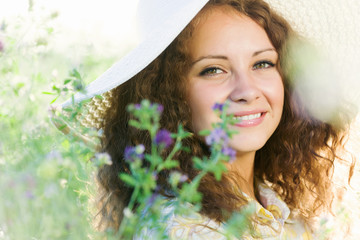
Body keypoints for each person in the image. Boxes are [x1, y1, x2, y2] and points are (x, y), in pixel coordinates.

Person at [56, 0, 355, 239]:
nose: (247, 91)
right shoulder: (183, 228)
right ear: (169, 93)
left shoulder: (280, 210)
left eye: (262, 63)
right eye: (213, 69)